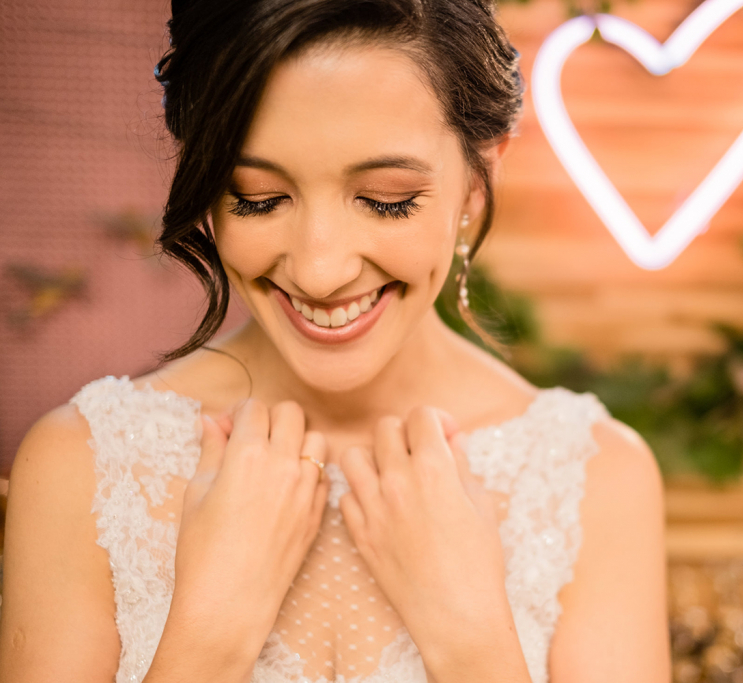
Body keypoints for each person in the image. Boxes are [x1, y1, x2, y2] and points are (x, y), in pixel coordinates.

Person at [0, 0, 670, 681]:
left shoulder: (594, 477)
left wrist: (471, 643)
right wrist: (207, 634)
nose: (320, 269)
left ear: (478, 176)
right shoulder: (80, 464)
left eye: (385, 199)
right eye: (257, 197)